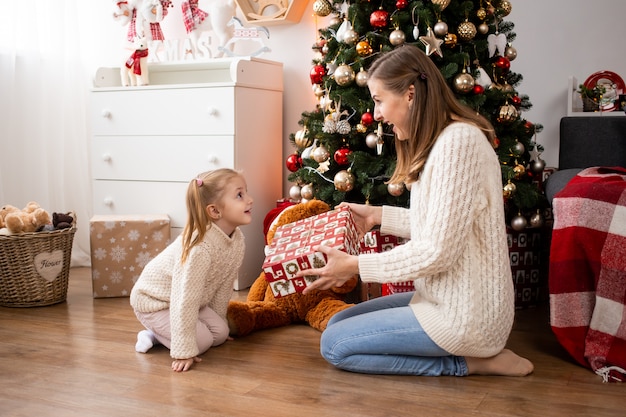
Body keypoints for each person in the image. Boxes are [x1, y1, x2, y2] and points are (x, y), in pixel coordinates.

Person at [297, 45, 534, 377]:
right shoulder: (443, 141)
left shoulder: (458, 144)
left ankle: (470, 362)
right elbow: (443, 225)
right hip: (441, 298)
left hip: (466, 316)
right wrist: (377, 216)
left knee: (335, 345)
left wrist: (355, 266)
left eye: (379, 100)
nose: (376, 114)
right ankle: (469, 354)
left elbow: (437, 251)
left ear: (410, 93)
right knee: (339, 321)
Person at [130, 168, 253, 372]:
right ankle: (153, 334)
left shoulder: (237, 240)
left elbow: (223, 286)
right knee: (202, 342)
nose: (250, 200)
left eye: (246, 192)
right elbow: (184, 299)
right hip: (155, 302)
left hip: (190, 302)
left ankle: (171, 332)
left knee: (220, 334)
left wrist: (218, 320)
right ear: (214, 211)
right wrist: (184, 350)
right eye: (240, 195)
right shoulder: (200, 248)